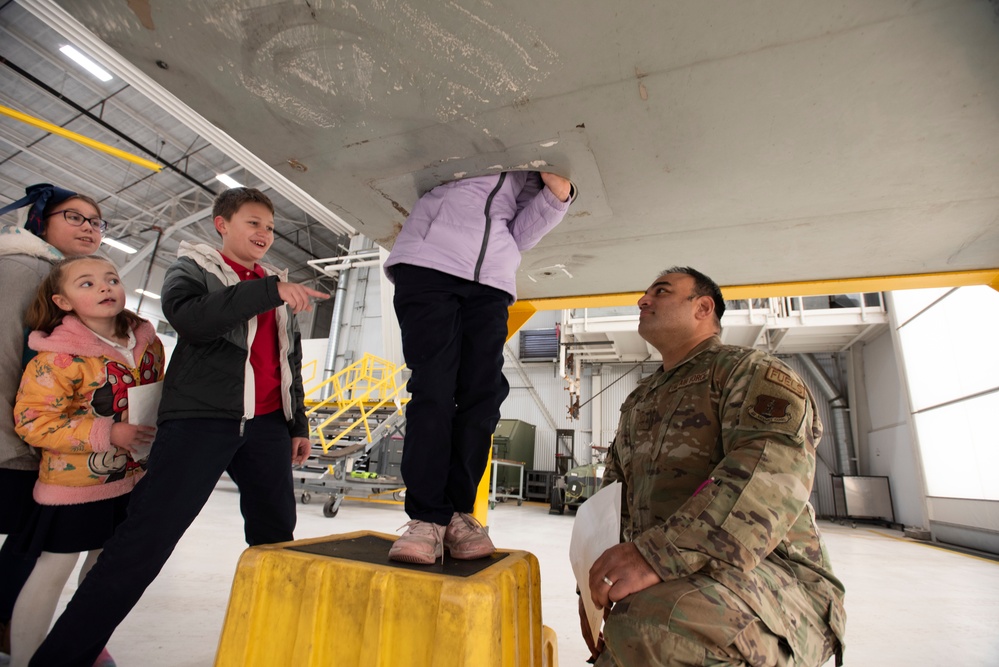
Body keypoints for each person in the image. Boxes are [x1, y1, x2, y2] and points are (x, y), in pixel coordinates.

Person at [28, 187, 329, 667]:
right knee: (146, 538)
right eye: (253, 223)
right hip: (202, 420)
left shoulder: (275, 281)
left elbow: (286, 360)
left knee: (276, 539)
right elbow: (190, 320)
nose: (264, 234)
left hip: (268, 425)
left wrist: (297, 423)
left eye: (270, 227)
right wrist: (266, 291)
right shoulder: (192, 267)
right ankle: (61, 658)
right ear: (222, 225)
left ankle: (274, 647)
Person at [582, 267, 846, 667]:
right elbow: (612, 501)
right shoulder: (640, 402)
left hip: (776, 580)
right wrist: (596, 588)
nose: (643, 300)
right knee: (627, 635)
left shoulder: (749, 373)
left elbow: (768, 479)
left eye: (662, 291)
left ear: (703, 307)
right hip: (678, 576)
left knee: (653, 624)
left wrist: (654, 556)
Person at [383, 170, 574, 564]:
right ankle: (425, 517)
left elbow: (516, 233)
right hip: (429, 263)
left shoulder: (527, 168)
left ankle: (456, 514)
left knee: (483, 397)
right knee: (434, 389)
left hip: (490, 282)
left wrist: (557, 199)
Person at [12, 256, 164, 667]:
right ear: (62, 301)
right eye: (87, 283)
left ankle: (83, 648)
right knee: (51, 574)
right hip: (74, 487)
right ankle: (26, 659)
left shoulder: (148, 343)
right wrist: (107, 433)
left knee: (102, 576)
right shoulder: (57, 357)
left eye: (111, 279)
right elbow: (33, 422)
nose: (104, 288)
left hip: (132, 480)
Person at [0, 184, 105, 656]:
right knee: (29, 533)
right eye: (75, 217)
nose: (89, 227)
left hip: (28, 429)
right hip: (13, 429)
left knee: (28, 534)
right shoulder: (27, 267)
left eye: (96, 221)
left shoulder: (55, 275)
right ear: (41, 220)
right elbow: (6, 354)